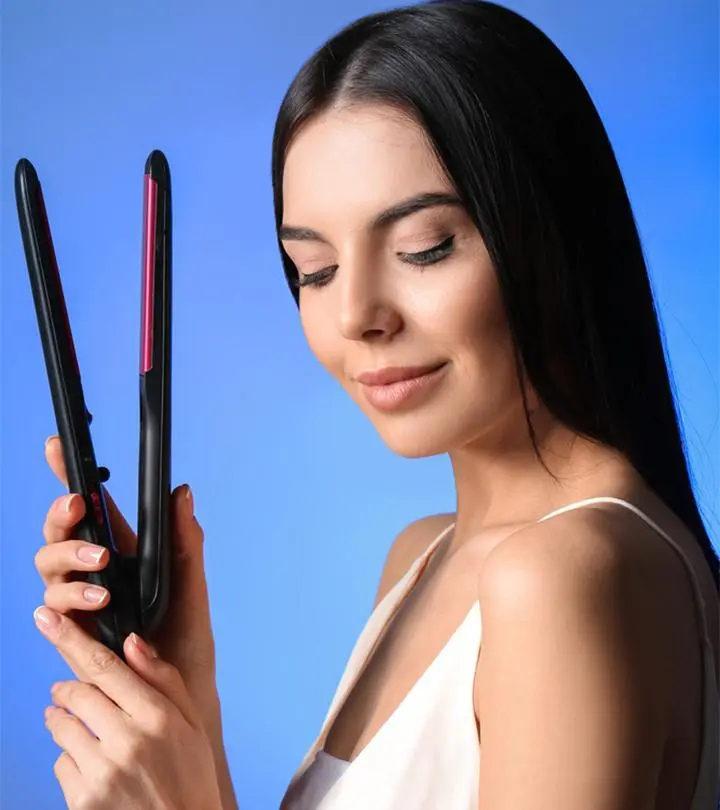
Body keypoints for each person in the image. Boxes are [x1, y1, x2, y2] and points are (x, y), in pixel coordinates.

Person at [31, 1, 719, 808]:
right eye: (314, 270)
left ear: (548, 231)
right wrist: (187, 703)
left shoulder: (559, 580)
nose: (356, 314)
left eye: (422, 248)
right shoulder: (423, 558)